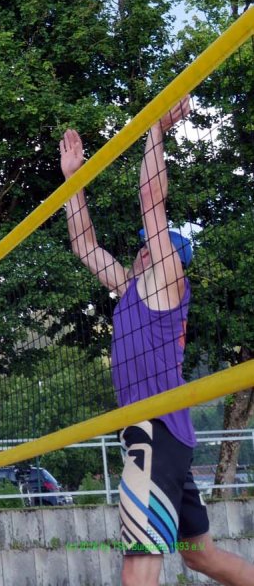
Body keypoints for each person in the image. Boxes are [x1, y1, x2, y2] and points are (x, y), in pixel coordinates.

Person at [60, 96, 254, 586]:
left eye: (156, 240)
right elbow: (84, 243)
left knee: (139, 560)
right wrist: (73, 180)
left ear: (168, 253)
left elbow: (152, 199)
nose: (148, 243)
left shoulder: (168, 279)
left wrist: (155, 130)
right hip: (163, 433)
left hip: (155, 430)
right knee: (201, 557)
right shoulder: (130, 286)